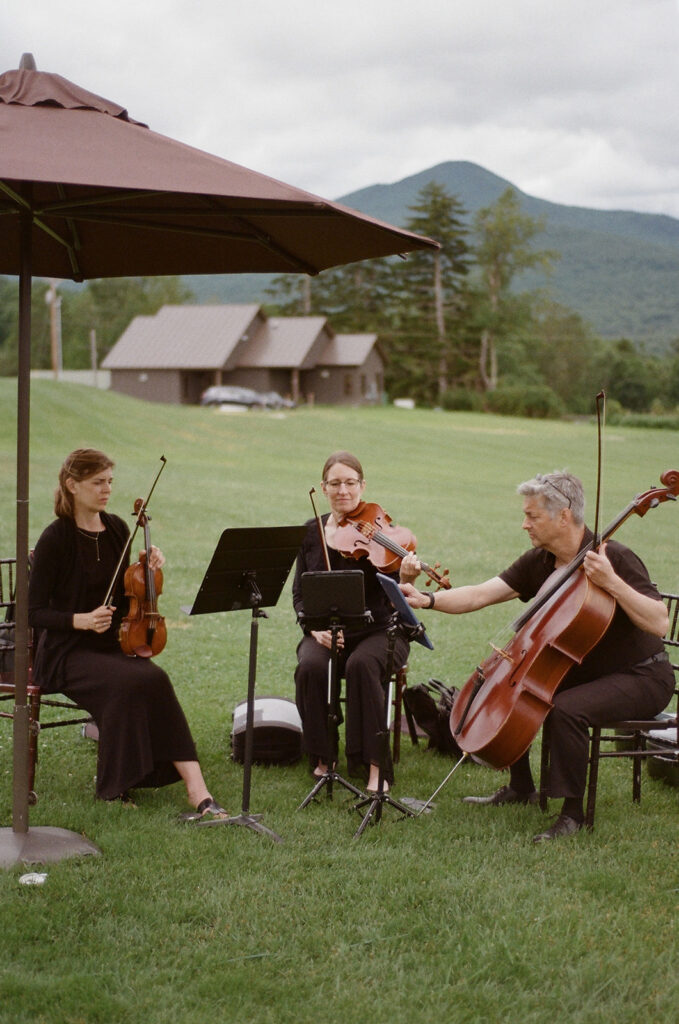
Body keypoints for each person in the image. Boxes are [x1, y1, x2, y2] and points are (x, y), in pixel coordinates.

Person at [399, 470, 673, 842]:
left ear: (563, 516)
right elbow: (481, 594)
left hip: (641, 676)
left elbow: (658, 622)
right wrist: (428, 600)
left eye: (532, 516)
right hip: (587, 668)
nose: (524, 524)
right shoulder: (542, 561)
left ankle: (574, 814)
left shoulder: (615, 558)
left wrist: (611, 583)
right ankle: (521, 788)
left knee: (565, 707)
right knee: (522, 688)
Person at [28, 448, 228, 822]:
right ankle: (114, 788)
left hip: (111, 644)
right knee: (126, 681)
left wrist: (148, 563)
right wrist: (81, 620)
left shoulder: (118, 527)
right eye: (97, 482)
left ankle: (197, 790)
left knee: (154, 677)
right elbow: (33, 612)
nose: (106, 490)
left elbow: (128, 588)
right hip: (65, 652)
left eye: (109, 482)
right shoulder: (56, 538)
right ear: (72, 485)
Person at [292, 451, 410, 793]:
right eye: (335, 483)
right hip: (325, 629)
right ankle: (323, 756)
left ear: (362, 486)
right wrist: (313, 629)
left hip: (379, 630)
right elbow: (300, 593)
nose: (343, 490)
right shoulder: (309, 532)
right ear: (323, 487)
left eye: (350, 483)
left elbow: (398, 591)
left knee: (361, 665)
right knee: (311, 667)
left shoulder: (378, 530)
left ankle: (374, 766)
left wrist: (407, 571)